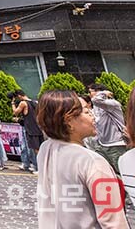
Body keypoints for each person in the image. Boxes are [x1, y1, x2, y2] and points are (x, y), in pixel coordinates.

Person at [36, 90, 129, 228]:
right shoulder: (93, 162)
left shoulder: (46, 148)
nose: (93, 116)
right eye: (86, 111)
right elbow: (114, 222)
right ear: (69, 121)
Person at [87, 83, 127, 174]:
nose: (89, 95)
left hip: (115, 144)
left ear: (98, 91)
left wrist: (104, 93)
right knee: (110, 173)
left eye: (90, 92)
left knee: (123, 171)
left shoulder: (112, 104)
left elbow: (96, 100)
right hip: (102, 145)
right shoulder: (96, 108)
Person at [12, 89, 42, 175]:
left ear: (19, 96)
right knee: (38, 148)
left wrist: (13, 103)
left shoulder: (23, 103)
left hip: (30, 129)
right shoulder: (35, 102)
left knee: (35, 149)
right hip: (37, 128)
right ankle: (37, 166)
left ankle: (39, 168)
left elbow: (15, 112)